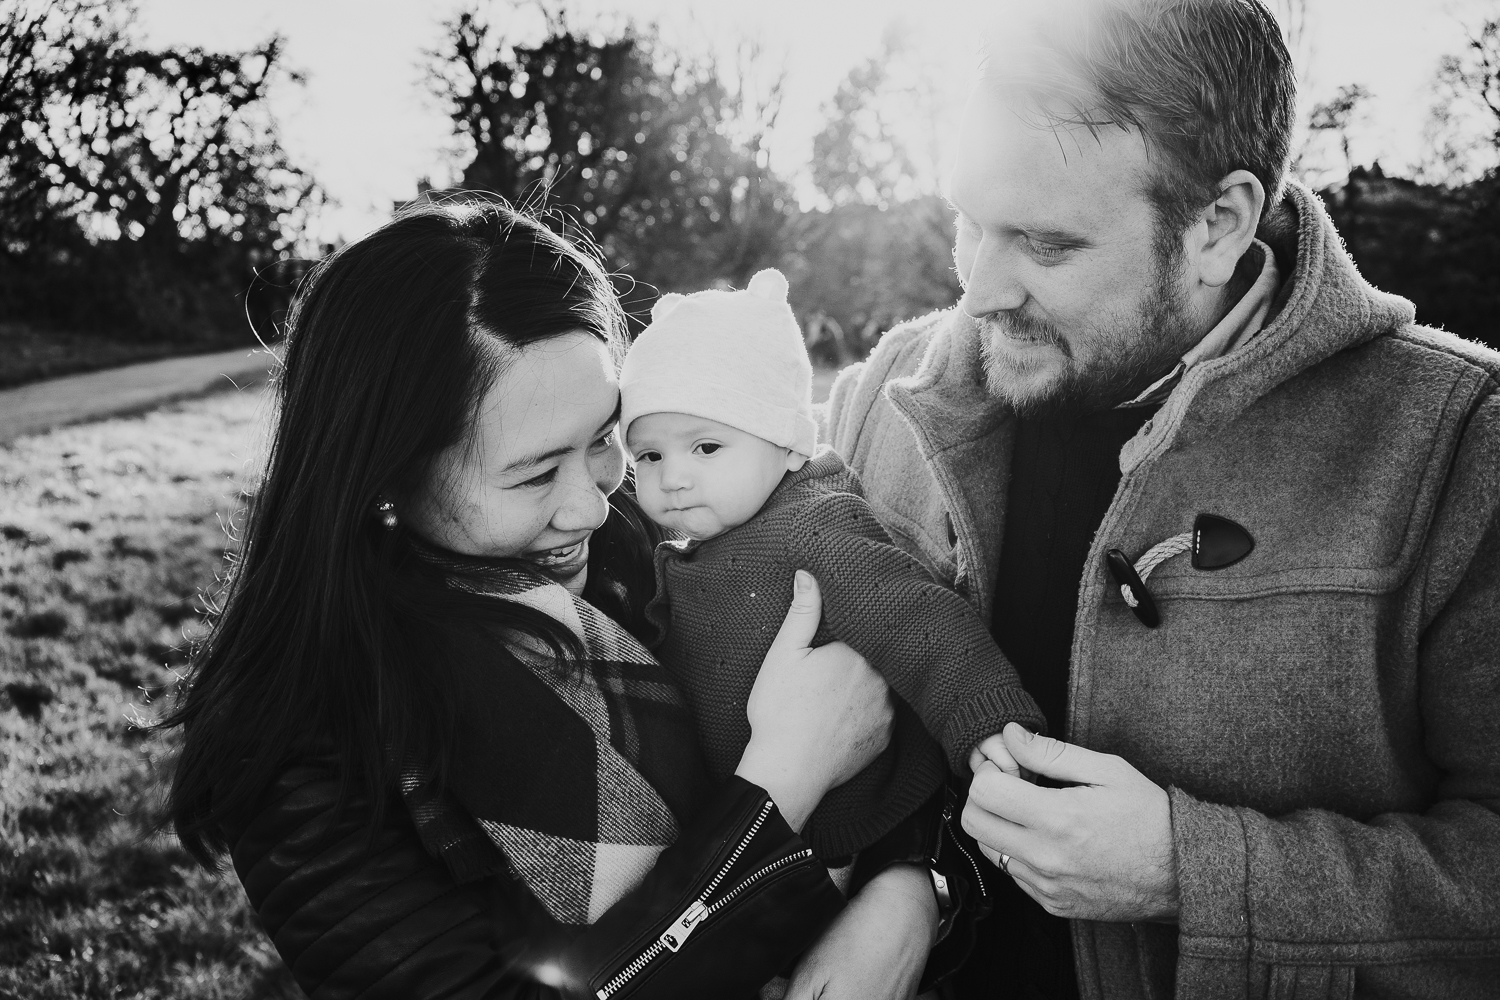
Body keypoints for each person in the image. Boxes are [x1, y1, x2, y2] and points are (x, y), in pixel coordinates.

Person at [823, 0, 1500, 997]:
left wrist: (1194, 871)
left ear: (1217, 224)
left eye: (1044, 243)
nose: (978, 292)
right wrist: (901, 877)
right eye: (969, 221)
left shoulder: (1457, 445)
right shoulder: (886, 393)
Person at [163, 199, 977, 1000]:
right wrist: (785, 776)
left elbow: (910, 751)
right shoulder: (302, 742)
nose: (591, 507)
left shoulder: (659, 551)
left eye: (604, 442)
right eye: (530, 474)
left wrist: (913, 891)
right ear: (386, 477)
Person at [618, 266, 1044, 873]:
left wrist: (985, 720)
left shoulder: (814, 528)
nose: (673, 477)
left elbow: (916, 618)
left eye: (706, 447)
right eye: (650, 456)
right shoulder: (696, 545)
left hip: (839, 827)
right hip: (752, 820)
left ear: (787, 443)